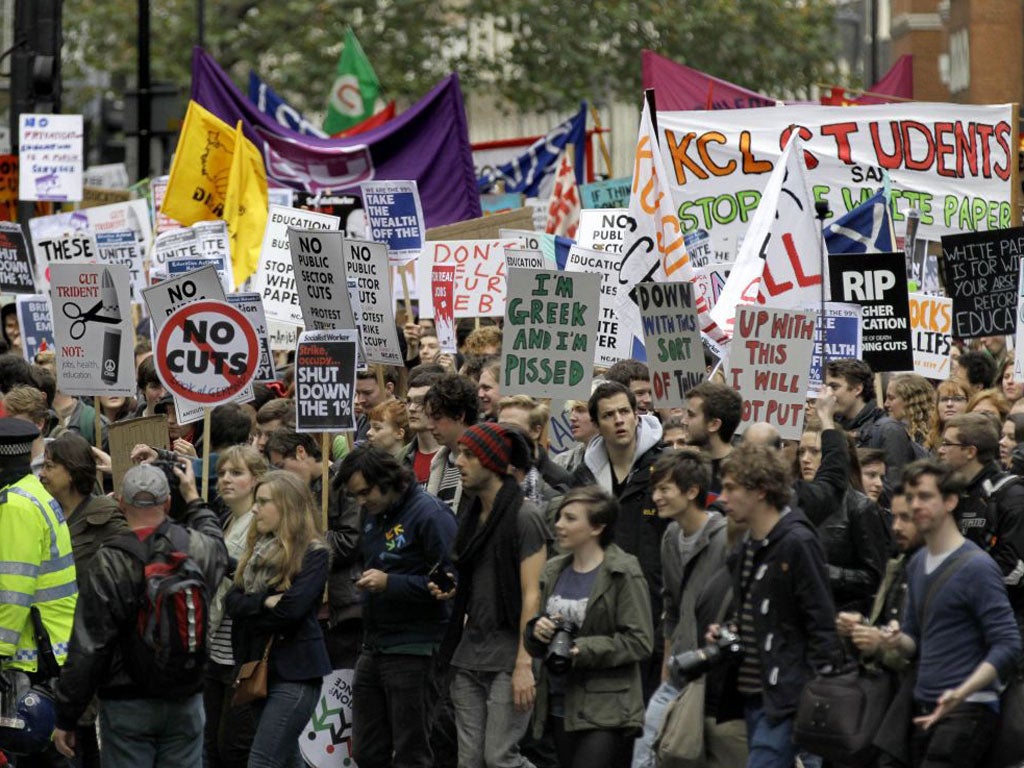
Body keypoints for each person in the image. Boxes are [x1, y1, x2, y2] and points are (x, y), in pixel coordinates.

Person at [53, 462, 227, 767]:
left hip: (126, 701)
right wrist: (195, 499)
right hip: (186, 695)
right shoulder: (197, 547)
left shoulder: (109, 560)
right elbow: (219, 547)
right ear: (168, 502)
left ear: (121, 502)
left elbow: (90, 646)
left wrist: (68, 716)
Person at [882, 460, 1021, 768]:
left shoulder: (977, 567)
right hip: (925, 707)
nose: (915, 504)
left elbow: (1008, 644)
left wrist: (962, 692)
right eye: (911, 496)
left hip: (968, 711)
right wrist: (891, 639)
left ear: (950, 501)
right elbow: (913, 639)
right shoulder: (917, 563)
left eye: (925, 496)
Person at [708, 443, 840, 768]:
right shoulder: (748, 546)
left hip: (787, 696)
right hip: (757, 694)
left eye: (731, 488)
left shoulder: (797, 543)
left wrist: (818, 697)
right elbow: (761, 614)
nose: (722, 498)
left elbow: (821, 622)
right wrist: (731, 631)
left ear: (761, 491)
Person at [337, 446, 458, 768]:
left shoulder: (430, 515)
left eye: (365, 492)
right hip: (374, 644)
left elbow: (452, 584)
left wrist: (392, 583)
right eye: (355, 496)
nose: (361, 502)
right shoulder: (374, 514)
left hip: (416, 647)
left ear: (388, 480)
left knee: (411, 751)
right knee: (365, 751)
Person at [442, 422, 548, 768]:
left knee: (500, 758)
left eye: (470, 455)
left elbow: (532, 595)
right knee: (469, 760)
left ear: (493, 461)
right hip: (469, 654)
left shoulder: (525, 516)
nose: (459, 461)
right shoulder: (472, 516)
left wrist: (524, 664)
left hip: (509, 657)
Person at [525, 487, 654, 768]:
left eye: (570, 519)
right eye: (559, 517)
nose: (558, 525)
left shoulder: (623, 571)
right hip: (561, 702)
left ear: (597, 527)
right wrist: (538, 631)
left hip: (606, 707)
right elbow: (536, 638)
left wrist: (580, 650)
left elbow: (640, 641)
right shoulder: (554, 569)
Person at [632, 449, 732, 768]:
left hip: (714, 681)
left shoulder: (726, 540)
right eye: (655, 488)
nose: (656, 496)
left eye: (665, 489)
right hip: (678, 673)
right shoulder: (671, 537)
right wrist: (666, 665)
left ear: (691, 492)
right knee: (645, 754)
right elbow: (672, 608)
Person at [225, 470, 331, 768]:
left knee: (262, 762)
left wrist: (252, 610)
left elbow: (290, 612)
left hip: (295, 673)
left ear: (286, 506)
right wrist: (264, 602)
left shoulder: (314, 553)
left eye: (263, 501)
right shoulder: (256, 549)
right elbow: (232, 602)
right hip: (258, 668)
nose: (255, 508)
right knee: (286, 760)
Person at [570, 382, 664, 698]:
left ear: (637, 415)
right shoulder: (584, 478)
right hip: (601, 611)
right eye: (609, 415)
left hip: (653, 609)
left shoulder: (663, 469)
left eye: (625, 411)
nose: (620, 420)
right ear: (596, 425)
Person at [0, 419, 78, 764]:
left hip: (32, 651)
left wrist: (0, 650)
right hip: (53, 644)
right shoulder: (34, 492)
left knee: (31, 748)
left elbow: (13, 589)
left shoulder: (15, 507)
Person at [204, 446, 268, 768]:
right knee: (212, 744)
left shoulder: (260, 525)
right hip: (215, 646)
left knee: (233, 746)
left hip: (238, 651)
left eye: (236, 473)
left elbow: (253, 583)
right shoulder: (228, 519)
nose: (226, 479)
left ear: (256, 479)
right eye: (223, 473)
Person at [937, 412, 1024, 615]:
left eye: (948, 444)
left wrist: (963, 586)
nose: (941, 450)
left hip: (1006, 617)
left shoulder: (1011, 495)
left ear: (970, 452)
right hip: (963, 614)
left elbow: (1015, 569)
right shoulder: (952, 494)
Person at [826, 358, 915, 485]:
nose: (827, 393)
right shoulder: (832, 426)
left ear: (857, 389)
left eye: (834, 387)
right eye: (826, 387)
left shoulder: (888, 430)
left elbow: (895, 488)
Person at [425, 373, 479, 512]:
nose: (429, 425)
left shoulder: (482, 464)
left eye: (437, 417)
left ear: (460, 415)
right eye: (428, 417)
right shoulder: (438, 463)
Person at [680, 381, 742, 499]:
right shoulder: (684, 468)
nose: (683, 421)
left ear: (714, 424)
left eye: (691, 415)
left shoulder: (741, 474)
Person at [400, 365, 446, 484]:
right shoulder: (400, 457)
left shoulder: (456, 456)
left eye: (420, 402)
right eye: (408, 401)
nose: (411, 408)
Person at [884, 374, 934, 446]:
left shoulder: (933, 436)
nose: (886, 404)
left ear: (910, 401)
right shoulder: (888, 431)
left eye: (891, 398)